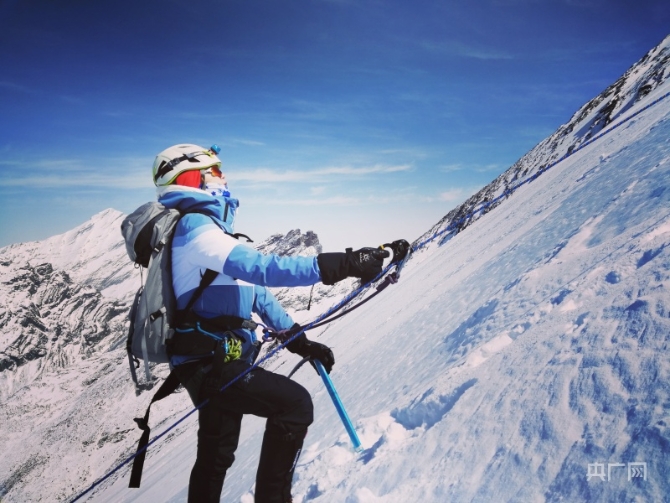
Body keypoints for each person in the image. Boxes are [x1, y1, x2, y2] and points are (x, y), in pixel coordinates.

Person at [151, 144, 389, 503]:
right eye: (216, 170)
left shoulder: (211, 232)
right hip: (213, 364)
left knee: (216, 457)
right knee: (294, 405)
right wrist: (346, 264)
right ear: (192, 178)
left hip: (212, 361)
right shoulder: (194, 227)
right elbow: (263, 268)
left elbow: (257, 294)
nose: (224, 177)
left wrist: (299, 342)